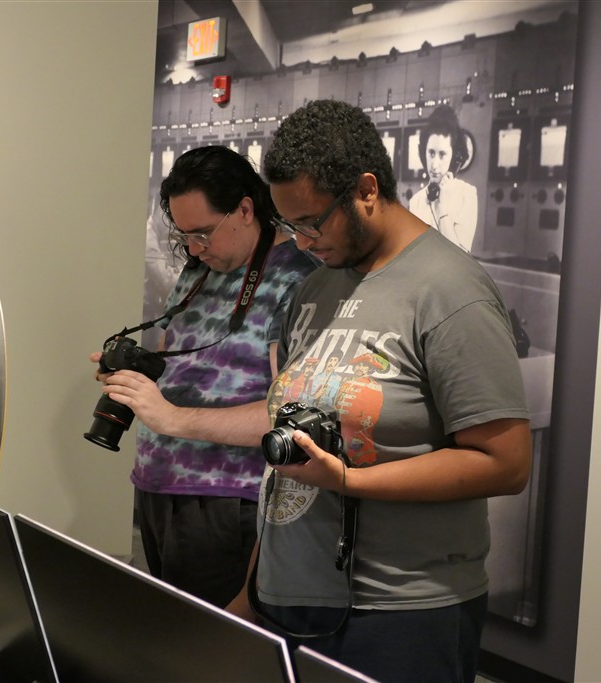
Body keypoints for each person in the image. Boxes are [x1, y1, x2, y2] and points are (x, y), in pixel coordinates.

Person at [226, 100, 532, 683]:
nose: (300, 243)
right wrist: (253, 587)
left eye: (311, 223)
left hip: (400, 611)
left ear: (366, 191)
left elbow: (506, 462)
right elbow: (285, 465)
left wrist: (351, 481)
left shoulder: (450, 291)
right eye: (289, 226)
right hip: (289, 598)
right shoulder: (315, 288)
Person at [94, 145, 316, 608]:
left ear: (245, 209)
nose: (194, 249)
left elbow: (290, 417)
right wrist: (133, 377)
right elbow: (175, 359)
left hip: (226, 500)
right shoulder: (201, 269)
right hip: (159, 488)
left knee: (212, 643)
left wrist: (172, 418)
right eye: (184, 236)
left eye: (203, 233)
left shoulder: (296, 279)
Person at [408, 104, 479, 253]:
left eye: (442, 154)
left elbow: (458, 258)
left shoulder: (467, 195)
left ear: (455, 157)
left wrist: (442, 208)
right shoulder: (416, 202)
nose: (434, 164)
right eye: (431, 153)